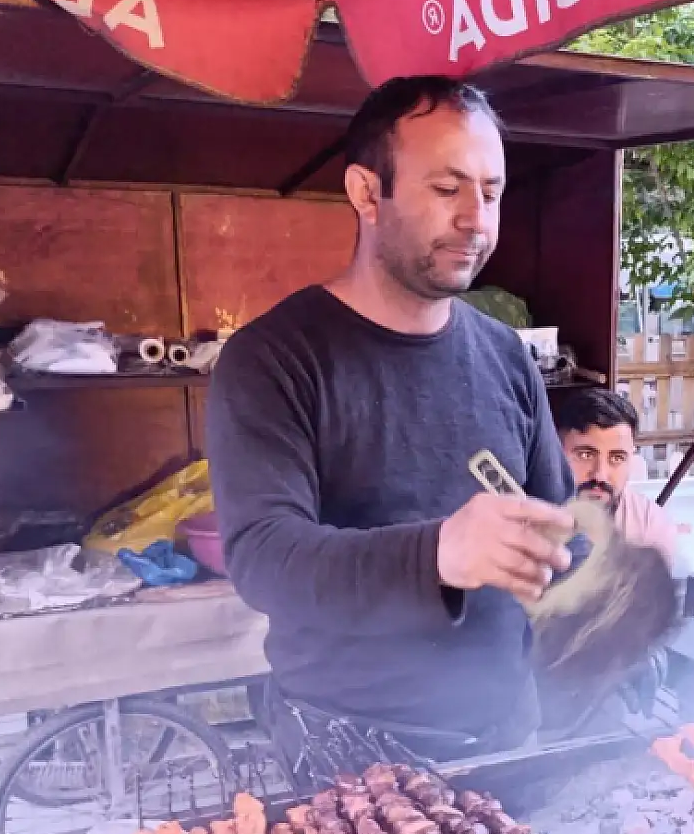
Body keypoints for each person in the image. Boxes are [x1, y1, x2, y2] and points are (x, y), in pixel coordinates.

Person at [206, 76, 575, 770]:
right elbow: (263, 558)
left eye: (491, 193)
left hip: (507, 739)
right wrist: (437, 554)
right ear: (366, 193)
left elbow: (552, 535)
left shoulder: (506, 357)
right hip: (349, 756)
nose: (477, 220)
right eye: (447, 189)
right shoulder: (274, 360)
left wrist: (622, 564)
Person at [553, 386, 678, 565]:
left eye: (617, 458)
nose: (600, 475)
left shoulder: (648, 524)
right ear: (556, 451)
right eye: (585, 455)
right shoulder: (533, 516)